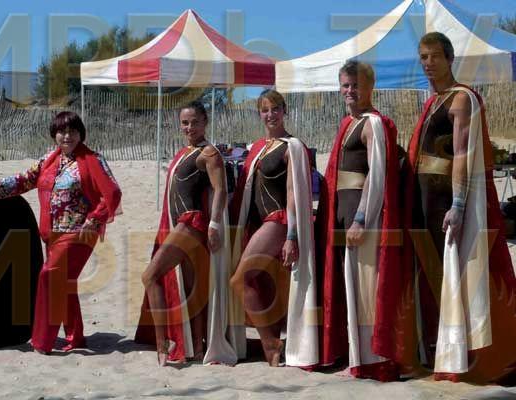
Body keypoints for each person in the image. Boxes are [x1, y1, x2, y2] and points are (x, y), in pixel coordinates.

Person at [402, 32, 516, 383]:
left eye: (435, 56)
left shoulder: (460, 98)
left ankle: (466, 356)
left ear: (450, 59)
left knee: (455, 276)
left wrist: (459, 203)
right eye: (423, 57)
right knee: (435, 278)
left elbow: (463, 154)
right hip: (423, 200)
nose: (428, 63)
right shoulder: (432, 102)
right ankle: (444, 350)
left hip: (443, 201)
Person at [0, 111, 122, 354]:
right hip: (51, 234)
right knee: (65, 283)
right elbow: (24, 180)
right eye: (62, 131)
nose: (67, 136)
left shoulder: (93, 159)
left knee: (49, 277)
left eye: (73, 131)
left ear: (81, 134)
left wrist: (95, 218)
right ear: (54, 135)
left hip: (79, 233)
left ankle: (42, 340)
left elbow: (112, 192)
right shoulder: (48, 160)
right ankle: (75, 337)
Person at [136, 101, 241, 367]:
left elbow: (220, 189)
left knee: (150, 276)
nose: (189, 127)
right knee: (193, 290)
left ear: (205, 122)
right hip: (180, 225)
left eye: (195, 122)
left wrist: (214, 225)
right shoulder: (185, 151)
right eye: (185, 122)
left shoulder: (208, 153)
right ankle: (196, 347)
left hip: (191, 224)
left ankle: (163, 343)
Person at [315, 61, 402, 381]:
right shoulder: (348, 123)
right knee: (350, 287)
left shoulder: (372, 124)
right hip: (342, 216)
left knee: (366, 289)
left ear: (369, 88)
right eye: (345, 85)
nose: (350, 90)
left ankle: (372, 358)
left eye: (355, 85)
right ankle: (355, 354)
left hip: (360, 217)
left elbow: (376, 174)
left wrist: (362, 219)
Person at [229, 89, 318, 368]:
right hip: (260, 223)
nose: (271, 115)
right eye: (265, 110)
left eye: (275, 109)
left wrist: (292, 235)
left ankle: (270, 342)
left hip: (278, 222)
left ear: (284, 111)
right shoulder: (259, 147)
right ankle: (272, 342)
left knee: (240, 280)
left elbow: (294, 192)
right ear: (259, 114)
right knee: (261, 284)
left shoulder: (292, 147)